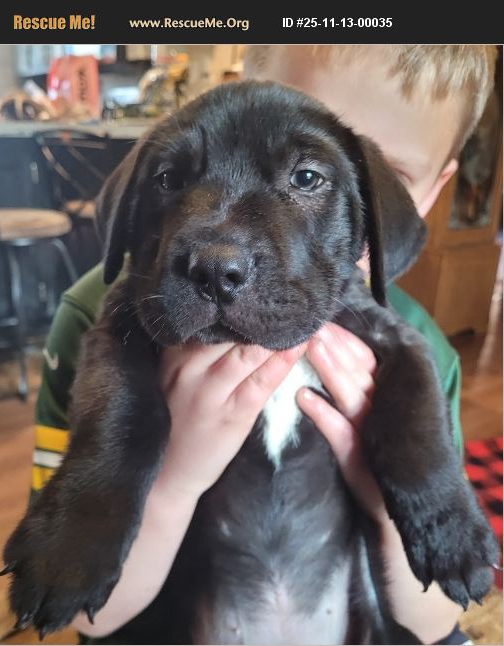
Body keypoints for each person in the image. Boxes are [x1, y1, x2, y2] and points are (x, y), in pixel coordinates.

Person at [30, 45, 497, 644]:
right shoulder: (104, 319)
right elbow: (75, 601)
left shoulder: (419, 351)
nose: (223, 249)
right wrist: (164, 484)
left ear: (416, 195)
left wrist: (407, 501)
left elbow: (435, 618)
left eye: (307, 178)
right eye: (174, 179)